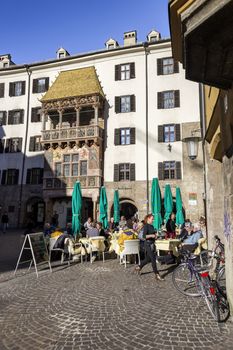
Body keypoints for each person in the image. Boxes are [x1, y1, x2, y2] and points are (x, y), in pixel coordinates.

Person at [135, 214, 164, 281]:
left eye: (153, 219)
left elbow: (153, 235)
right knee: (153, 258)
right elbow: (144, 236)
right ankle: (157, 274)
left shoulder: (152, 226)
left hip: (152, 244)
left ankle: (138, 267)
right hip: (147, 245)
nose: (153, 220)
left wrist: (156, 236)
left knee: (148, 259)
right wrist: (152, 235)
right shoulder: (146, 226)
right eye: (152, 219)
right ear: (148, 219)